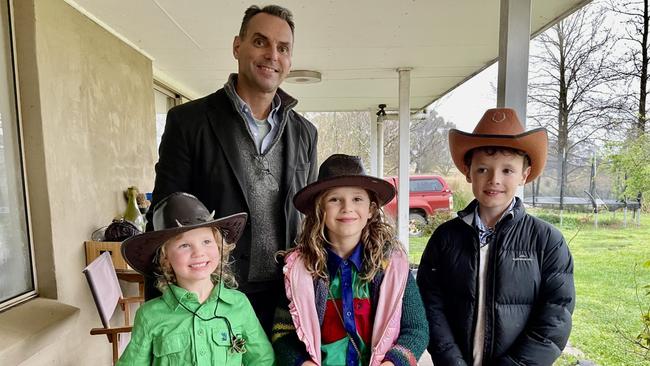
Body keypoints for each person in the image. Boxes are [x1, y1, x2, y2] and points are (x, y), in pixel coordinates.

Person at [147, 4, 318, 335]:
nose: (272, 54)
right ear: (237, 46)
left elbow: (309, 218)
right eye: (260, 41)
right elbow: (163, 218)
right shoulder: (189, 122)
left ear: (290, 60)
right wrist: (164, 308)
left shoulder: (305, 133)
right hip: (211, 295)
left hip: (286, 296)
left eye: (282, 48)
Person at [417, 108, 575, 365]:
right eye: (482, 170)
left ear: (524, 175)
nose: (494, 180)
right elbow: (430, 305)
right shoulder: (444, 239)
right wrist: (451, 360)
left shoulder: (546, 241)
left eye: (507, 171)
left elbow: (556, 315)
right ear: (468, 173)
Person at [271, 154, 429, 366]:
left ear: (371, 210)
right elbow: (283, 333)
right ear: (320, 209)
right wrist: (301, 363)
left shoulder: (392, 267)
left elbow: (416, 329)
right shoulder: (299, 271)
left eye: (357, 199)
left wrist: (393, 363)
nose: (347, 208)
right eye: (334, 199)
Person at [118, 192, 274, 365]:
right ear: (165, 257)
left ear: (220, 247)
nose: (198, 253)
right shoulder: (149, 316)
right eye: (184, 245)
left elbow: (263, 360)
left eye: (206, 241)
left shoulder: (239, 305)